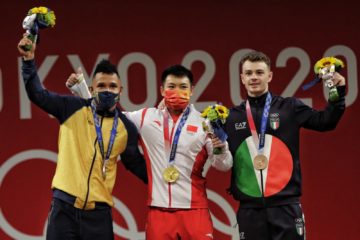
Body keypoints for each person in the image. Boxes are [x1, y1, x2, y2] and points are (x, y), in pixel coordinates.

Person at [67, 64, 233, 239]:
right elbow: (109, 117)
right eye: (171, 87)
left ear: (192, 90)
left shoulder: (204, 122)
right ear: (162, 90)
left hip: (195, 211)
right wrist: (82, 90)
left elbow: (224, 165)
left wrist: (221, 146)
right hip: (158, 213)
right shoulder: (146, 117)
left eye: (183, 87)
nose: (177, 91)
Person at [17, 35, 147, 240]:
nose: (107, 90)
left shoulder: (125, 128)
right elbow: (37, 94)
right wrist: (28, 60)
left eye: (112, 86)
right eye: (101, 86)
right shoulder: (71, 108)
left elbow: (137, 165)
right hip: (64, 210)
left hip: (99, 216)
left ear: (120, 91)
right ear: (92, 89)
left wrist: (171, 182)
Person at [224, 50, 346, 239]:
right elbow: (219, 156)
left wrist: (336, 92)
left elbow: (326, 122)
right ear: (241, 78)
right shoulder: (231, 117)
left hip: (286, 207)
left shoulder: (289, 107)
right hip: (250, 211)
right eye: (248, 73)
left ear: (269, 76)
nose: (254, 77)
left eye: (259, 72)